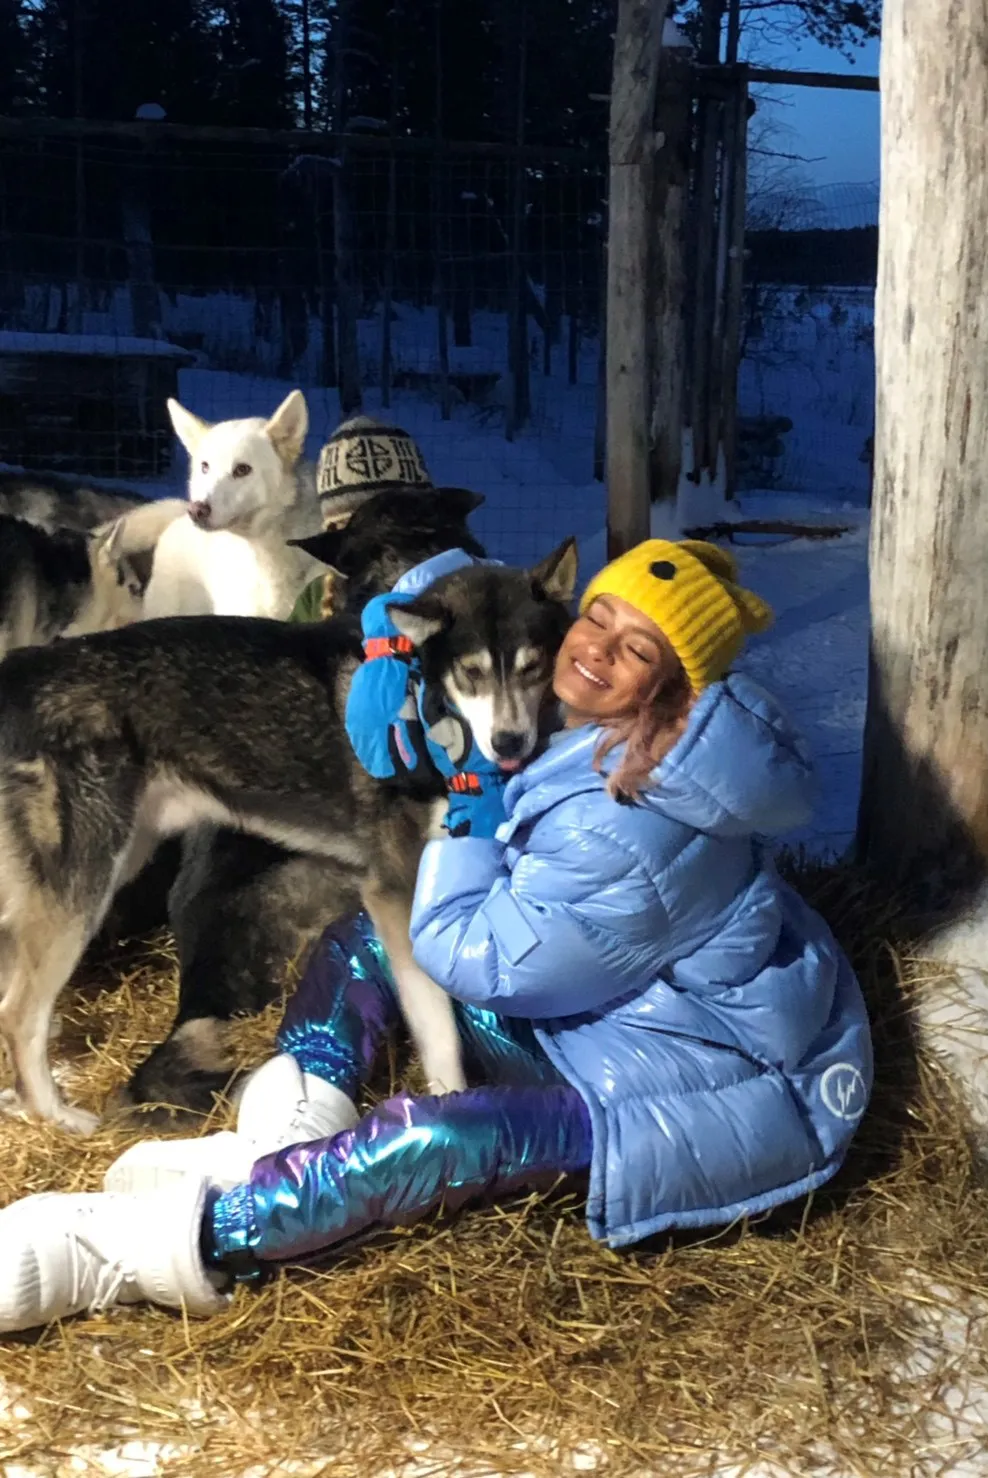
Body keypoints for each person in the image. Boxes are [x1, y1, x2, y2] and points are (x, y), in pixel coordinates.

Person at [0, 538, 872, 1332]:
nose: (597, 649)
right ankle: (282, 1138)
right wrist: (409, 632)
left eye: (636, 648)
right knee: (369, 934)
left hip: (676, 1094)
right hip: (599, 1011)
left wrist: (459, 814)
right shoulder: (603, 737)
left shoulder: (638, 821)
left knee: (435, 1140)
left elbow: (486, 962)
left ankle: (149, 1243)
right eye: (597, 619)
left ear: (675, 686)